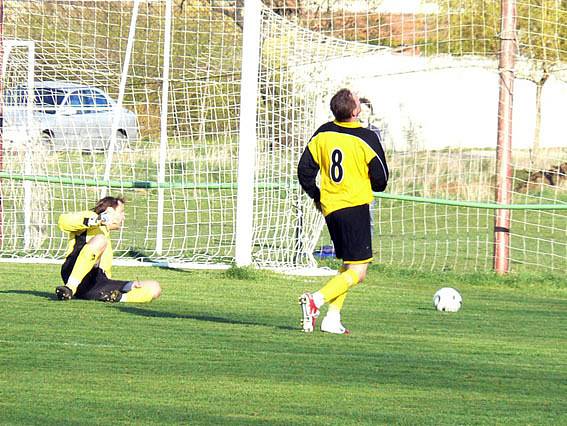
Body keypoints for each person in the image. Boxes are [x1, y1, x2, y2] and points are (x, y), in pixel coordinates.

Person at [297, 88, 389, 334]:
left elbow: (304, 171)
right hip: (354, 207)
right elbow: (381, 181)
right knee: (358, 272)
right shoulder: (367, 137)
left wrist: (317, 196)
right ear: (356, 111)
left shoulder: (323, 133)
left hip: (330, 208)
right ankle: (316, 300)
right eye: (358, 101)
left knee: (349, 264)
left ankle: (332, 319)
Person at [55, 196, 162, 303]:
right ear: (110, 211)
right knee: (100, 240)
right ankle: (69, 288)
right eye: (121, 212)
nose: (123, 217)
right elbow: (63, 221)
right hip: (72, 270)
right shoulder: (92, 217)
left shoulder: (105, 233)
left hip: (97, 283)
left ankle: (115, 297)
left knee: (154, 287)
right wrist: (96, 220)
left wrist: (131, 285)